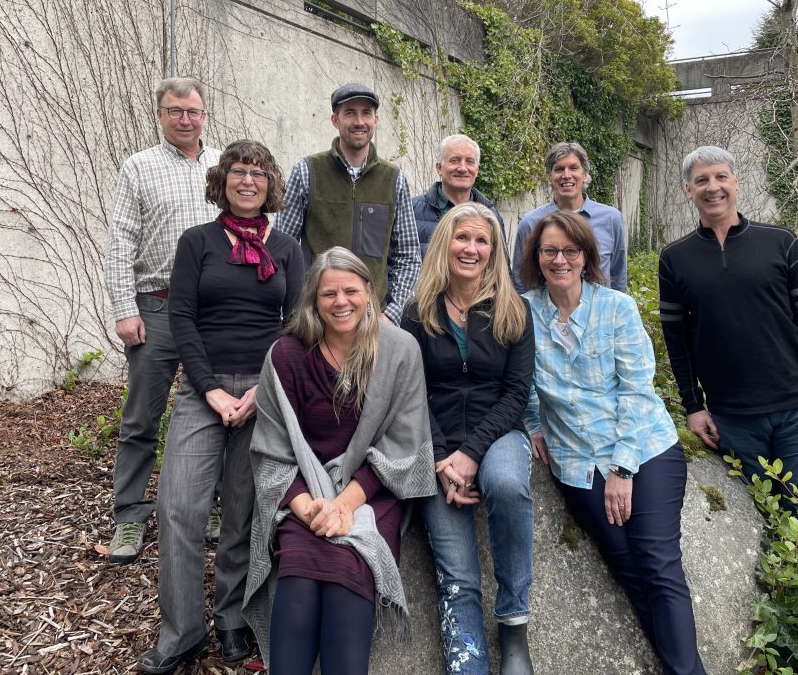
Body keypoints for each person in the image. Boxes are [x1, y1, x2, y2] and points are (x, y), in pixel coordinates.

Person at [135, 141, 304, 674]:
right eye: (238, 171)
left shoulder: (289, 249)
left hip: (264, 391)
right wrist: (209, 389)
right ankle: (182, 631)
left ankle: (232, 616)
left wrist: (262, 390)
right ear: (223, 179)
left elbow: (296, 326)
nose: (248, 180)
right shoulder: (197, 242)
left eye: (258, 172)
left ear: (270, 182)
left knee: (241, 513)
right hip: (202, 392)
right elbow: (181, 318)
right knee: (179, 507)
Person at [521, 211, 707, 675]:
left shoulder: (617, 308)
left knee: (658, 563)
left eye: (570, 250)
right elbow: (518, 380)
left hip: (644, 449)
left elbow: (638, 391)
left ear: (586, 256)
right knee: (629, 568)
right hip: (576, 463)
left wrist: (622, 471)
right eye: (549, 251)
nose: (559, 259)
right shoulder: (523, 311)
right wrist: (533, 424)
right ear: (536, 256)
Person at [243, 248, 437, 675]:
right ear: (313, 298)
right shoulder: (287, 355)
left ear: (369, 292)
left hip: (371, 494)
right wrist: (309, 506)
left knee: (350, 567)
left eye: (351, 290)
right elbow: (272, 449)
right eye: (328, 293)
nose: (341, 301)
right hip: (304, 496)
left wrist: (344, 506)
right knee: (298, 576)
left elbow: (402, 447)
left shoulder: (400, 351)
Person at [658, 146, 798, 504]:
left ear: (736, 182)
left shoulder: (781, 242)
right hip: (732, 419)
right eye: (701, 180)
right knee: (753, 517)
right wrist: (693, 406)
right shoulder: (675, 258)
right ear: (687, 190)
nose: (713, 187)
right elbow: (676, 341)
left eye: (721, 176)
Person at [401, 203, 535, 675]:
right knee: (457, 574)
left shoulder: (512, 310)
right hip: (434, 445)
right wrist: (441, 460)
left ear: (494, 250)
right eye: (462, 239)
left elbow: (517, 392)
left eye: (482, 241)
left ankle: (514, 626)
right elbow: (411, 392)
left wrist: (471, 453)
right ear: (444, 244)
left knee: (505, 483)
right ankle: (469, 666)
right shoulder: (417, 313)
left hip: (497, 434)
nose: (471, 249)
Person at [104, 76, 220, 564]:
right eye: (176, 111)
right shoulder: (139, 168)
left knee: (218, 413)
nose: (185, 119)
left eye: (193, 111)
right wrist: (125, 309)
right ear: (160, 115)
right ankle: (130, 515)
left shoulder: (223, 166)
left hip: (213, 311)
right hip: (155, 307)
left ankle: (212, 506)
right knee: (141, 418)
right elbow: (121, 240)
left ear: (204, 115)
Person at [275, 82, 421, 325]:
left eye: (366, 113)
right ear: (335, 120)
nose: (359, 121)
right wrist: (298, 309)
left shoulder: (394, 179)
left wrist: (392, 314)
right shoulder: (308, 171)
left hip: (373, 319)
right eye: (350, 113)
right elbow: (282, 247)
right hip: (318, 316)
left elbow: (408, 255)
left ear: (376, 120)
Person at [512, 142, 627, 293]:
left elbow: (618, 277)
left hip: (599, 314)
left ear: (585, 174)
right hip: (545, 315)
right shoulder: (531, 223)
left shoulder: (611, 218)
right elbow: (521, 280)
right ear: (549, 177)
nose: (566, 175)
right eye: (559, 169)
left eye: (573, 168)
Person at [411, 134, 506, 257]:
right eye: (454, 160)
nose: (462, 168)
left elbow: (502, 268)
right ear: (439, 168)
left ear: (477, 170)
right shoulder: (411, 211)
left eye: (469, 162)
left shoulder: (492, 215)